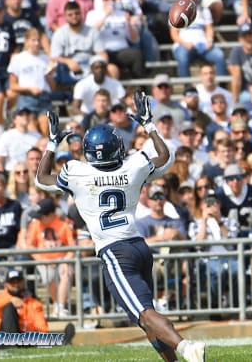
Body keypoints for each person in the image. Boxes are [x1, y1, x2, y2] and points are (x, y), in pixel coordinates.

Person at [34, 92, 205, 361]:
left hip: (114, 252)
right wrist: (149, 125)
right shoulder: (133, 166)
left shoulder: (78, 173)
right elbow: (166, 157)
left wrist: (52, 143)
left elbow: (41, 179)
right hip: (139, 246)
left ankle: (186, 348)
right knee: (146, 317)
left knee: (145, 314)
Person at [0, 270, 49, 350]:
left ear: (23, 283)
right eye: (12, 282)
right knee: (9, 308)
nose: (16, 285)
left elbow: (42, 328)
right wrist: (11, 299)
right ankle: (10, 345)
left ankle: (63, 340)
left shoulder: (34, 303)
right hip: (0, 338)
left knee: (45, 338)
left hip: (23, 336)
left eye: (18, 282)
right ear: (6, 284)